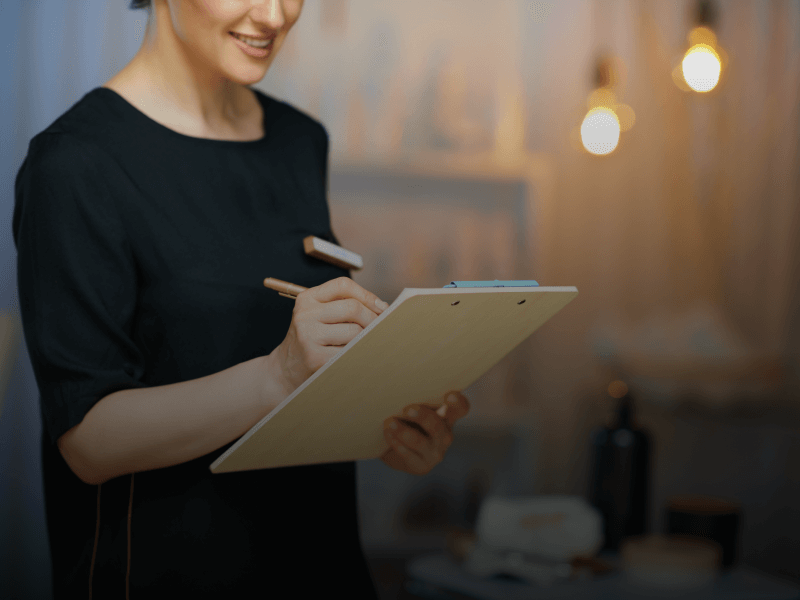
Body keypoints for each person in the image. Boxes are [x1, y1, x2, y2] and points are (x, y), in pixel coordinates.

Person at [12, 0, 471, 597]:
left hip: (320, 565)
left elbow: (303, 363)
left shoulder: (300, 141)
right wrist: (277, 375)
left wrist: (382, 427)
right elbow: (87, 441)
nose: (276, 14)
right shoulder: (75, 163)